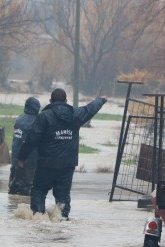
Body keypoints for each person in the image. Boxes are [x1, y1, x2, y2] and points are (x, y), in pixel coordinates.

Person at [17, 88, 107, 219]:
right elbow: (89, 109)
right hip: (67, 165)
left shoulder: (44, 116)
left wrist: (21, 157)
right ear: (66, 101)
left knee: (39, 191)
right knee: (63, 196)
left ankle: (38, 220)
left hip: (46, 164)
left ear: (50, 101)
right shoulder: (76, 115)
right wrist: (101, 100)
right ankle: (62, 222)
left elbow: (32, 138)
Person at [8, 96, 41, 195]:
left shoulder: (19, 119)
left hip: (15, 160)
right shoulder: (36, 121)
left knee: (13, 188)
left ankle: (12, 204)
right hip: (29, 161)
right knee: (27, 190)